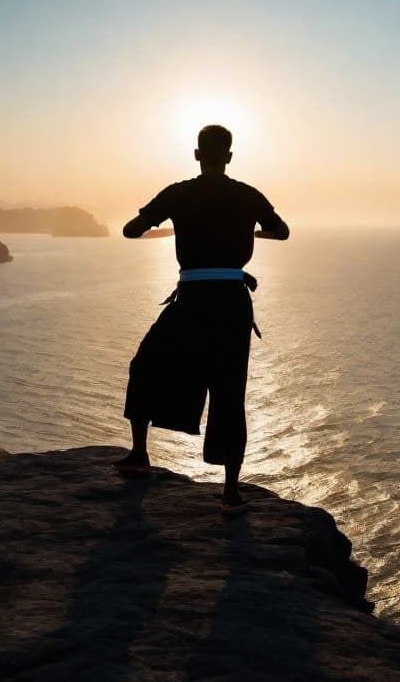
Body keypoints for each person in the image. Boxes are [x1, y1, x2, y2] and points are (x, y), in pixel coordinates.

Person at [115, 123, 290, 514]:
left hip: (192, 299)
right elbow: (282, 232)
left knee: (146, 365)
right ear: (229, 156)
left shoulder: (178, 193)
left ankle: (140, 455)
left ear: (197, 154)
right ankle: (230, 492)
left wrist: (175, 225)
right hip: (231, 301)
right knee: (230, 389)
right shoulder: (248, 196)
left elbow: (130, 231)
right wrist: (248, 234)